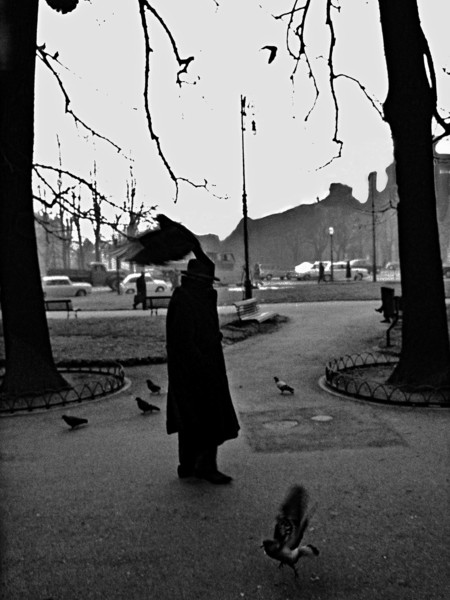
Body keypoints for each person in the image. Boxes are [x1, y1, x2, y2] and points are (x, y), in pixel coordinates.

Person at [166, 258, 240, 484]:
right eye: (207, 282)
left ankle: (188, 464)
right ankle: (204, 465)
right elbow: (184, 340)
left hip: (196, 366)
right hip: (197, 368)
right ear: (198, 281)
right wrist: (202, 363)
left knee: (192, 417)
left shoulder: (194, 297)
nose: (211, 287)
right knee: (207, 416)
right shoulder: (187, 299)